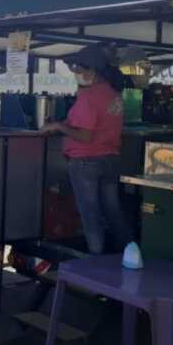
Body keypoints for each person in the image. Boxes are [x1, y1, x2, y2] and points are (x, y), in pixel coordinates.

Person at [40, 44, 133, 255]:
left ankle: (95, 261)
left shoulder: (89, 97)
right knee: (112, 210)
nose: (76, 73)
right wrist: (64, 123)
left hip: (86, 162)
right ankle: (130, 252)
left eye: (79, 69)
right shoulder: (113, 94)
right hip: (110, 159)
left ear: (92, 71)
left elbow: (85, 136)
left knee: (91, 215)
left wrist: (58, 126)